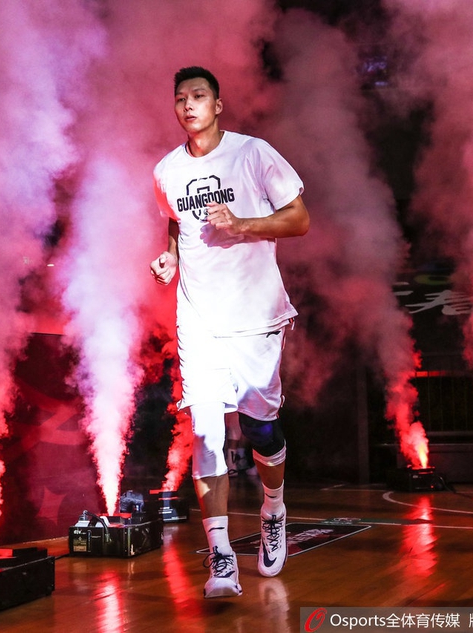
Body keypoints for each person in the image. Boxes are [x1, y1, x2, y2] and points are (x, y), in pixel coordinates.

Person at [150, 66, 309, 599]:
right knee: (205, 431)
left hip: (256, 316)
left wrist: (243, 225)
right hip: (199, 318)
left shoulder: (253, 154)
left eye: (199, 96)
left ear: (218, 105)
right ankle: (220, 555)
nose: (189, 105)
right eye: (181, 98)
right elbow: (176, 219)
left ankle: (273, 507)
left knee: (260, 429)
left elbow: (299, 219)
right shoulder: (167, 170)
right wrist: (171, 256)